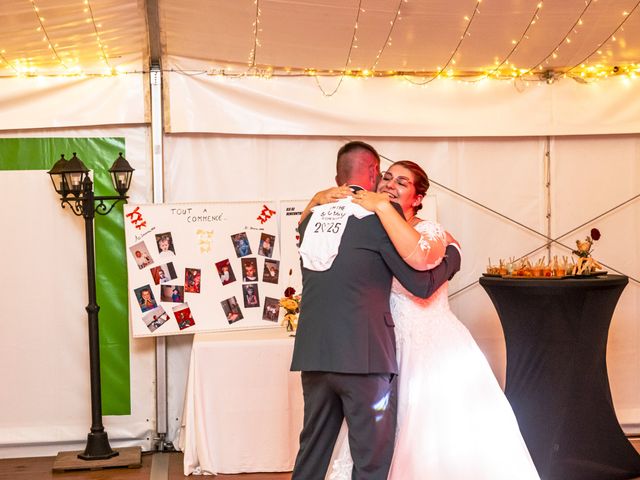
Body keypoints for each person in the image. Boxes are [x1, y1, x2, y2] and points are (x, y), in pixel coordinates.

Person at [325, 161, 540, 479]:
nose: (389, 184)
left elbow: (421, 283)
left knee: (439, 433)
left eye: (402, 181)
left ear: (417, 198)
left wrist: (386, 214)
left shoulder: (429, 232)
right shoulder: (368, 231)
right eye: (386, 178)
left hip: (436, 346)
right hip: (386, 344)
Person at [290, 141, 462, 480]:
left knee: (313, 451)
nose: (387, 184)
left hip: (314, 354)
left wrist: (313, 200)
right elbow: (420, 283)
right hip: (364, 358)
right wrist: (453, 254)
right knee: (371, 458)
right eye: (384, 175)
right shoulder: (380, 215)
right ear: (372, 173)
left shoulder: (312, 218)